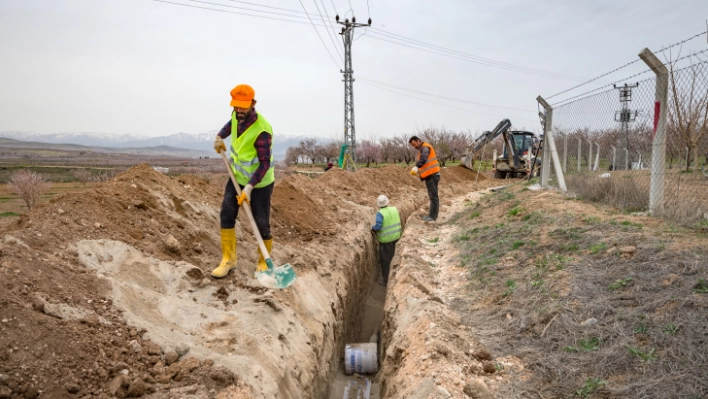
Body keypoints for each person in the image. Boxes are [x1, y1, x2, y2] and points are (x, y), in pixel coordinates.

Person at [211, 84, 275, 279]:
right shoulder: (236, 115)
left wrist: (249, 188)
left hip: (260, 183)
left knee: (261, 222)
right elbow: (229, 125)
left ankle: (264, 262)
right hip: (236, 178)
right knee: (227, 214)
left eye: (243, 107)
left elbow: (264, 164)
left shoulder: (262, 130)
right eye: (236, 106)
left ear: (253, 104)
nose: (239, 110)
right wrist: (219, 136)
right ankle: (228, 260)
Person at [371, 195, 401, 286]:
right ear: (387, 202)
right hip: (396, 238)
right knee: (395, 258)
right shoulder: (394, 209)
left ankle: (386, 281)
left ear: (378, 204)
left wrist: (373, 228)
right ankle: (396, 277)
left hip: (386, 242)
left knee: (386, 261)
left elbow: (378, 226)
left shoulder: (380, 213)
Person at [408, 136, 441, 222]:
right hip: (432, 175)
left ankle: (432, 217)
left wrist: (416, 166)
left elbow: (423, 158)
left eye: (414, 144)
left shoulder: (425, 148)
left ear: (418, 141)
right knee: (433, 196)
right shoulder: (423, 148)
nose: (414, 147)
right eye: (412, 146)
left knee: (433, 197)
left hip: (432, 175)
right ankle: (432, 215)